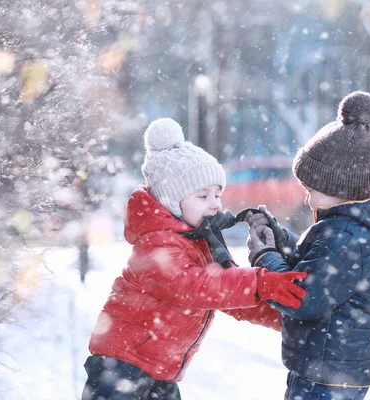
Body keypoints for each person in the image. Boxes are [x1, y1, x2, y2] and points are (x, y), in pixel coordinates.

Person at [82, 118, 308, 400]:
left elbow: (229, 295)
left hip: (159, 371)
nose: (215, 203)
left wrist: (288, 317)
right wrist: (261, 282)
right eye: (203, 196)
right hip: (120, 366)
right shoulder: (156, 242)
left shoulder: (201, 239)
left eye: (217, 194)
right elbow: (192, 286)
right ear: (171, 201)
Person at [245, 91, 370, 400]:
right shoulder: (362, 225)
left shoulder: (342, 235)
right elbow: (324, 268)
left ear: (338, 189)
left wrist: (265, 258)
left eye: (312, 190)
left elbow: (302, 296)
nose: (307, 198)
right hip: (344, 367)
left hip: (325, 372)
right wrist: (282, 240)